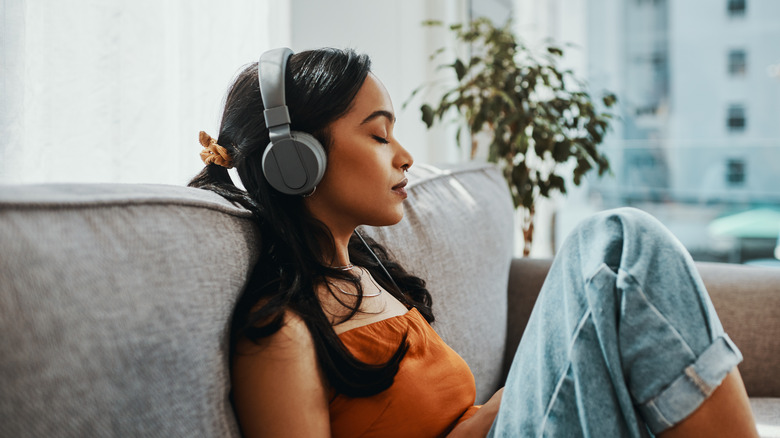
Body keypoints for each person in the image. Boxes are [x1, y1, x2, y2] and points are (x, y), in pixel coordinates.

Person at [189, 47, 759, 437]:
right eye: (379, 135)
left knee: (619, 255)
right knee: (616, 245)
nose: (405, 156)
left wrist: (530, 386)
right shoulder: (280, 335)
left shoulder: (369, 275)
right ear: (296, 162)